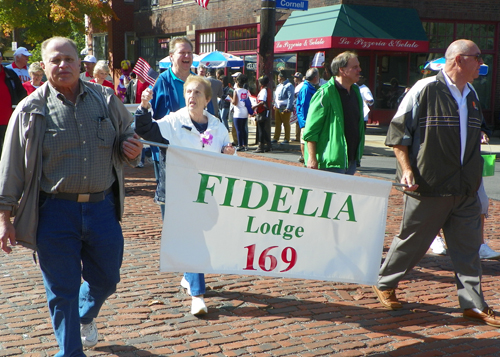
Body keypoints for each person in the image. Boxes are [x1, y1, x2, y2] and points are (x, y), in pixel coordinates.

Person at [0, 36, 142, 356]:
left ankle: (85, 314)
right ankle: (70, 351)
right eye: (55, 60)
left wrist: (132, 149)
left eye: (68, 59)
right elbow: (11, 167)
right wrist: (4, 218)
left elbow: (128, 136)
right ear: (44, 65)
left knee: (107, 279)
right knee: (61, 290)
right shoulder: (30, 109)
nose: (62, 65)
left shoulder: (106, 99)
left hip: (102, 208)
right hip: (54, 211)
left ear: (81, 63)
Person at [372, 39, 500, 327]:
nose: (482, 62)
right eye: (477, 57)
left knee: (468, 250)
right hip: (429, 185)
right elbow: (398, 134)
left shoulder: (472, 94)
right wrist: (406, 171)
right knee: (412, 243)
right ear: (458, 60)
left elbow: (476, 129)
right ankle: (384, 283)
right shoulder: (424, 89)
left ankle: (473, 304)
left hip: (465, 186)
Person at [135, 76, 235, 316]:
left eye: (198, 93)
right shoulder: (174, 121)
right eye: (188, 92)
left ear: (207, 99)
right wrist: (144, 107)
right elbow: (145, 129)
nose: (192, 96)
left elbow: (228, 151)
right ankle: (198, 295)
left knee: (196, 242)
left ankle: (189, 277)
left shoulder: (216, 125)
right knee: (192, 241)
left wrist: (228, 151)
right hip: (176, 194)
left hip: (205, 194)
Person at [302, 51, 364, 175]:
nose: (359, 70)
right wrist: (312, 158)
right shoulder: (325, 93)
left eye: (359, 66)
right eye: (355, 67)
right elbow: (311, 130)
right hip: (330, 162)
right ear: (342, 70)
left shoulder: (356, 91)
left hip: (350, 160)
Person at [0, 51, 27, 154]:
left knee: (9, 153)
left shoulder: (10, 74)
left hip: (10, 122)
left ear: (1, 59)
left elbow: (22, 93)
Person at [296, 68, 319, 163]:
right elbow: (304, 107)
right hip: (306, 120)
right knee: (304, 140)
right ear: (315, 77)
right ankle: (306, 158)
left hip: (309, 120)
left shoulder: (311, 87)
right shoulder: (306, 89)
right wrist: (306, 123)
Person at [272, 72, 294, 144]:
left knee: (286, 123)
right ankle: (276, 138)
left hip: (284, 107)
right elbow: (276, 96)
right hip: (278, 106)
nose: (278, 80)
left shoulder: (289, 85)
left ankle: (287, 139)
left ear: (283, 78)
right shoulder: (279, 86)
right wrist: (275, 104)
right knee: (277, 123)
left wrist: (288, 107)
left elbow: (291, 97)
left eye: (279, 78)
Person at [231, 73, 251, 151]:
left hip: (238, 112)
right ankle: (245, 144)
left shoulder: (236, 91)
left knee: (238, 129)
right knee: (243, 129)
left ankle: (240, 145)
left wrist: (230, 97)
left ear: (238, 82)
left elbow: (235, 102)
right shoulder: (246, 91)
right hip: (245, 111)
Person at [252, 75, 271, 153]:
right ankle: (268, 145)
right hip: (265, 111)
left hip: (262, 111)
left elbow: (262, 102)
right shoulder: (267, 89)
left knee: (261, 129)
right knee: (263, 129)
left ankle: (261, 147)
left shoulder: (263, 91)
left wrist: (254, 106)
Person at [293, 72, 304, 142]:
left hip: (301, 106)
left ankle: (299, 137)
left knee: (299, 121)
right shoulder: (298, 86)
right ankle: (297, 137)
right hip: (297, 106)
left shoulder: (302, 85)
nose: (294, 79)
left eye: (295, 78)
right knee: (297, 122)